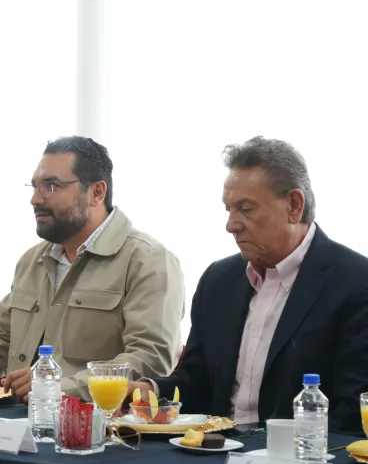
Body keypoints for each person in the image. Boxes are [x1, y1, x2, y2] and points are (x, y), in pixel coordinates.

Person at [0, 136, 185, 401]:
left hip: (97, 426)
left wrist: (58, 387)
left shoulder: (148, 261)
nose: (35, 199)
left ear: (96, 192)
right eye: (35, 186)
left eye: (51, 186)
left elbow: (150, 359)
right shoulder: (33, 260)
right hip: (18, 419)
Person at [131, 137, 368, 432]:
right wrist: (150, 390)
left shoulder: (356, 283)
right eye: (228, 209)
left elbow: (353, 413)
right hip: (214, 450)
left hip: (299, 456)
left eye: (245, 208)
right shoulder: (217, 280)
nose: (231, 225)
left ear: (294, 205)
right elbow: (198, 381)